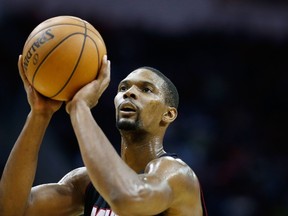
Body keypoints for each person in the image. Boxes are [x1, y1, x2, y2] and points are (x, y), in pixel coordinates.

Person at [0, 54, 208, 216]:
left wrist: (79, 108)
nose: (129, 93)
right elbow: (12, 209)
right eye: (123, 87)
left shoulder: (176, 174)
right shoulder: (87, 182)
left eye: (146, 90)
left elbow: (129, 198)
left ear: (168, 114)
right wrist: (39, 114)